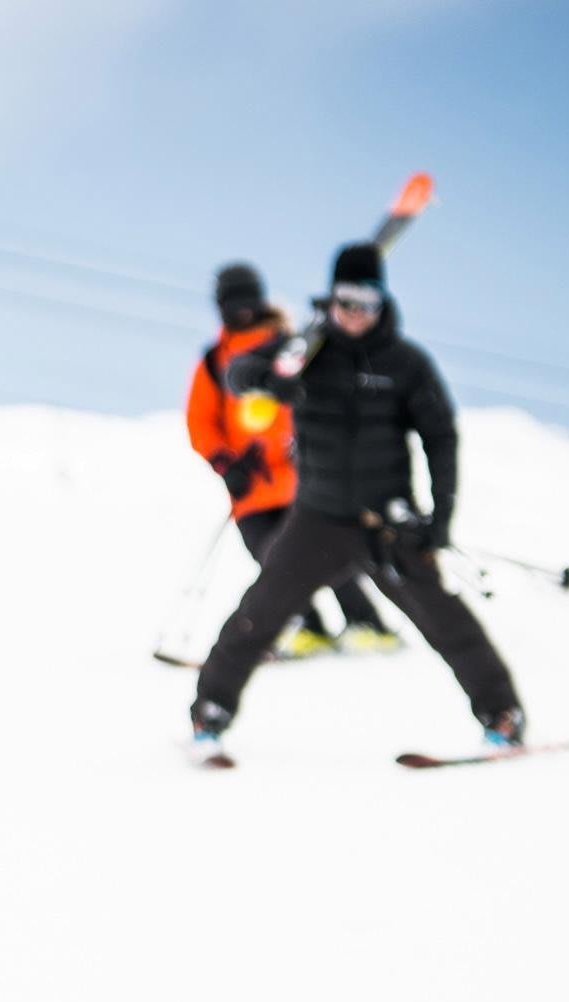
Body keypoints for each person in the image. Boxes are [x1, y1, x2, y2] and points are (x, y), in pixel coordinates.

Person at [189, 243, 524, 757]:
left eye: (366, 303)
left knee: (445, 620)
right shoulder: (305, 352)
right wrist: (271, 376)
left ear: (382, 303)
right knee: (258, 614)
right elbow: (237, 376)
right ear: (331, 300)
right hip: (316, 517)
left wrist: (441, 517)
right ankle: (210, 714)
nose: (355, 314)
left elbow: (440, 437)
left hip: (386, 521)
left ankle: (501, 715)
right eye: (346, 302)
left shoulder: (406, 363)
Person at [187, 262, 391, 658]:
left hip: (302, 480)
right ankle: (307, 627)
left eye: (248, 300)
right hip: (251, 490)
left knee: (325, 552)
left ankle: (367, 623)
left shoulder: (292, 345)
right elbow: (201, 421)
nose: (242, 310)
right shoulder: (213, 362)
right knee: (273, 562)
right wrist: (226, 464)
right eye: (233, 302)